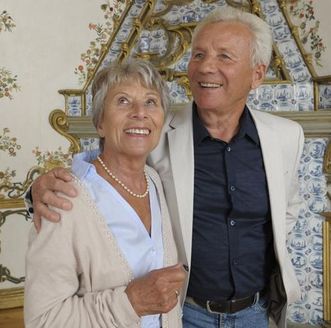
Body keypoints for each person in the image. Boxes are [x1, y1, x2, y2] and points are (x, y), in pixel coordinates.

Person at [27, 7, 304, 328]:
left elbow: (289, 206)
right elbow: (104, 167)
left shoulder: (286, 136)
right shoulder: (154, 128)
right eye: (198, 54)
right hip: (182, 312)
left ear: (257, 74)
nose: (206, 67)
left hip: (255, 313)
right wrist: (35, 191)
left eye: (224, 57)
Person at [24, 59, 187, 328]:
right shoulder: (62, 198)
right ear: (100, 123)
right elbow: (43, 320)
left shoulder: (155, 180)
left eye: (150, 102)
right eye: (123, 101)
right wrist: (130, 303)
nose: (139, 112)